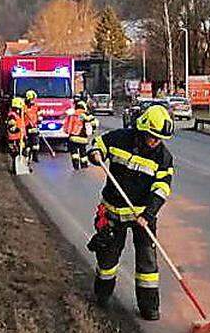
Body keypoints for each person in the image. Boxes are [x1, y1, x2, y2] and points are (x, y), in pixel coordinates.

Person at [86, 104, 175, 320]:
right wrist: (95, 153)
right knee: (108, 259)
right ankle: (102, 297)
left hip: (142, 216)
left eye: (159, 138)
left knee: (148, 264)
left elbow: (162, 188)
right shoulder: (120, 138)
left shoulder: (163, 157)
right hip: (113, 212)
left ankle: (149, 307)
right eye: (152, 136)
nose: (155, 142)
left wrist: (149, 214)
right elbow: (99, 144)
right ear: (142, 129)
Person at [63, 100, 99, 170]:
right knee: (83, 153)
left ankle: (76, 166)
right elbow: (95, 123)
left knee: (74, 153)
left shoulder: (72, 114)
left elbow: (66, 125)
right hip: (83, 138)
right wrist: (93, 131)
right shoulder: (86, 114)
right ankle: (84, 165)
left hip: (72, 137)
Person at [6, 97, 29, 174]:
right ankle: (15, 168)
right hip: (14, 138)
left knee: (24, 152)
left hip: (20, 137)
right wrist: (18, 130)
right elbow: (11, 127)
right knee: (15, 154)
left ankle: (24, 166)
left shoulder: (20, 115)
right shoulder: (12, 116)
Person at [24, 90, 42, 164]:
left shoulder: (36, 106)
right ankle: (26, 155)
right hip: (25, 126)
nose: (33, 100)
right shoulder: (23, 106)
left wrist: (38, 122)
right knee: (27, 143)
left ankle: (35, 156)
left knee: (35, 143)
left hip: (34, 126)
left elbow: (39, 115)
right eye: (32, 99)